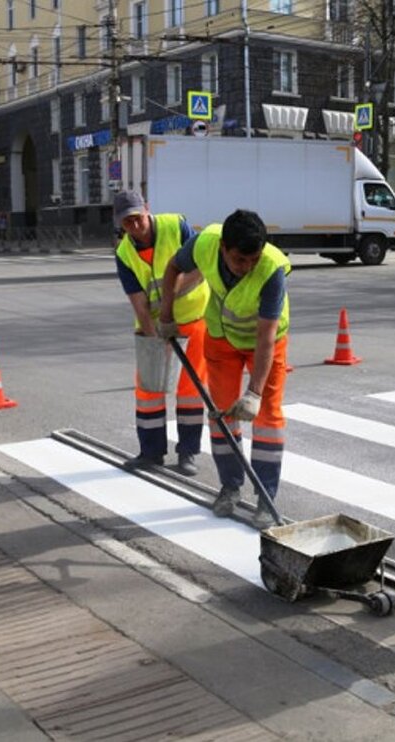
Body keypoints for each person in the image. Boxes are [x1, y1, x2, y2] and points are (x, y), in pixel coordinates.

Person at [158, 209, 291, 530]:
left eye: (252, 260)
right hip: (220, 337)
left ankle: (265, 497)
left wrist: (254, 392)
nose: (246, 268)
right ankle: (230, 487)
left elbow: (265, 338)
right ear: (223, 249)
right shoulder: (205, 244)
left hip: (265, 343)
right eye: (238, 260)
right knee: (221, 415)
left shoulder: (272, 269)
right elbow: (174, 266)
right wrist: (166, 316)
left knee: (268, 417)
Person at [113, 190, 208, 476]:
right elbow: (140, 305)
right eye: (126, 222)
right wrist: (157, 339)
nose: (134, 226)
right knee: (148, 391)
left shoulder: (175, 227)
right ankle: (151, 453)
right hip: (152, 327)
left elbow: (202, 265)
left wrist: (171, 291)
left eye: (137, 218)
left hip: (192, 320)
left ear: (147, 209)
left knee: (190, 390)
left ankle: (188, 453)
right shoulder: (124, 253)